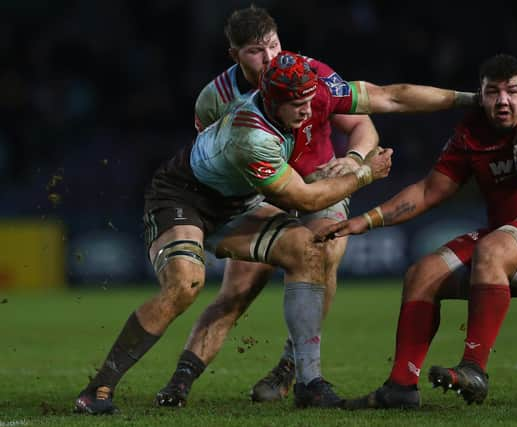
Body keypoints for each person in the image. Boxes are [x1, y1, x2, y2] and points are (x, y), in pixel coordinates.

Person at [73, 50, 477, 414]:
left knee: (310, 249)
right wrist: (365, 173)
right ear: (271, 100)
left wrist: (469, 100)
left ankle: (308, 383)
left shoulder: (313, 91)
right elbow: (303, 199)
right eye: (295, 105)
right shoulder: (252, 135)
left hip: (237, 202)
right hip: (184, 199)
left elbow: (393, 95)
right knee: (186, 284)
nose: (306, 112)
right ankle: (99, 389)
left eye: (308, 101)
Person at [316, 53, 517, 409]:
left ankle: (474, 368)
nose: (502, 100)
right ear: (481, 94)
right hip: (508, 238)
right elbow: (430, 191)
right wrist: (365, 221)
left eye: (511, 91)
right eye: (493, 92)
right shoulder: (471, 133)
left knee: (492, 247)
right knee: (421, 275)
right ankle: (400, 387)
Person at [184, 5, 380, 404]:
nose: (269, 57)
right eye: (256, 51)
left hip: (318, 189)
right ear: (234, 55)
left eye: (273, 45)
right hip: (260, 197)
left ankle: (293, 369)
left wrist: (356, 160)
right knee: (237, 291)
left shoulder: (307, 73)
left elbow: (362, 122)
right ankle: (180, 381)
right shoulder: (214, 100)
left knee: (323, 254)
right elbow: (213, 158)